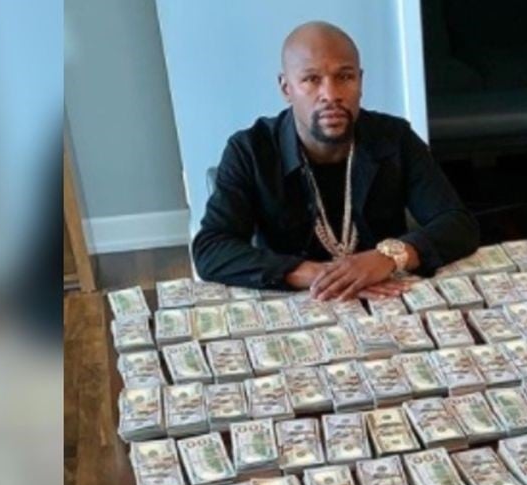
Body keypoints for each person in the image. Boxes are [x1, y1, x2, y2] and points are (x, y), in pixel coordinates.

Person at [192, 21, 479, 299]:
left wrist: (388, 257)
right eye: (311, 79)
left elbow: (458, 224)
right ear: (286, 88)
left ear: (360, 81)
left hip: (387, 296)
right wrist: (321, 275)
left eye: (344, 77)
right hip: (297, 301)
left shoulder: (394, 138)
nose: (330, 95)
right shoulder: (250, 150)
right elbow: (210, 249)